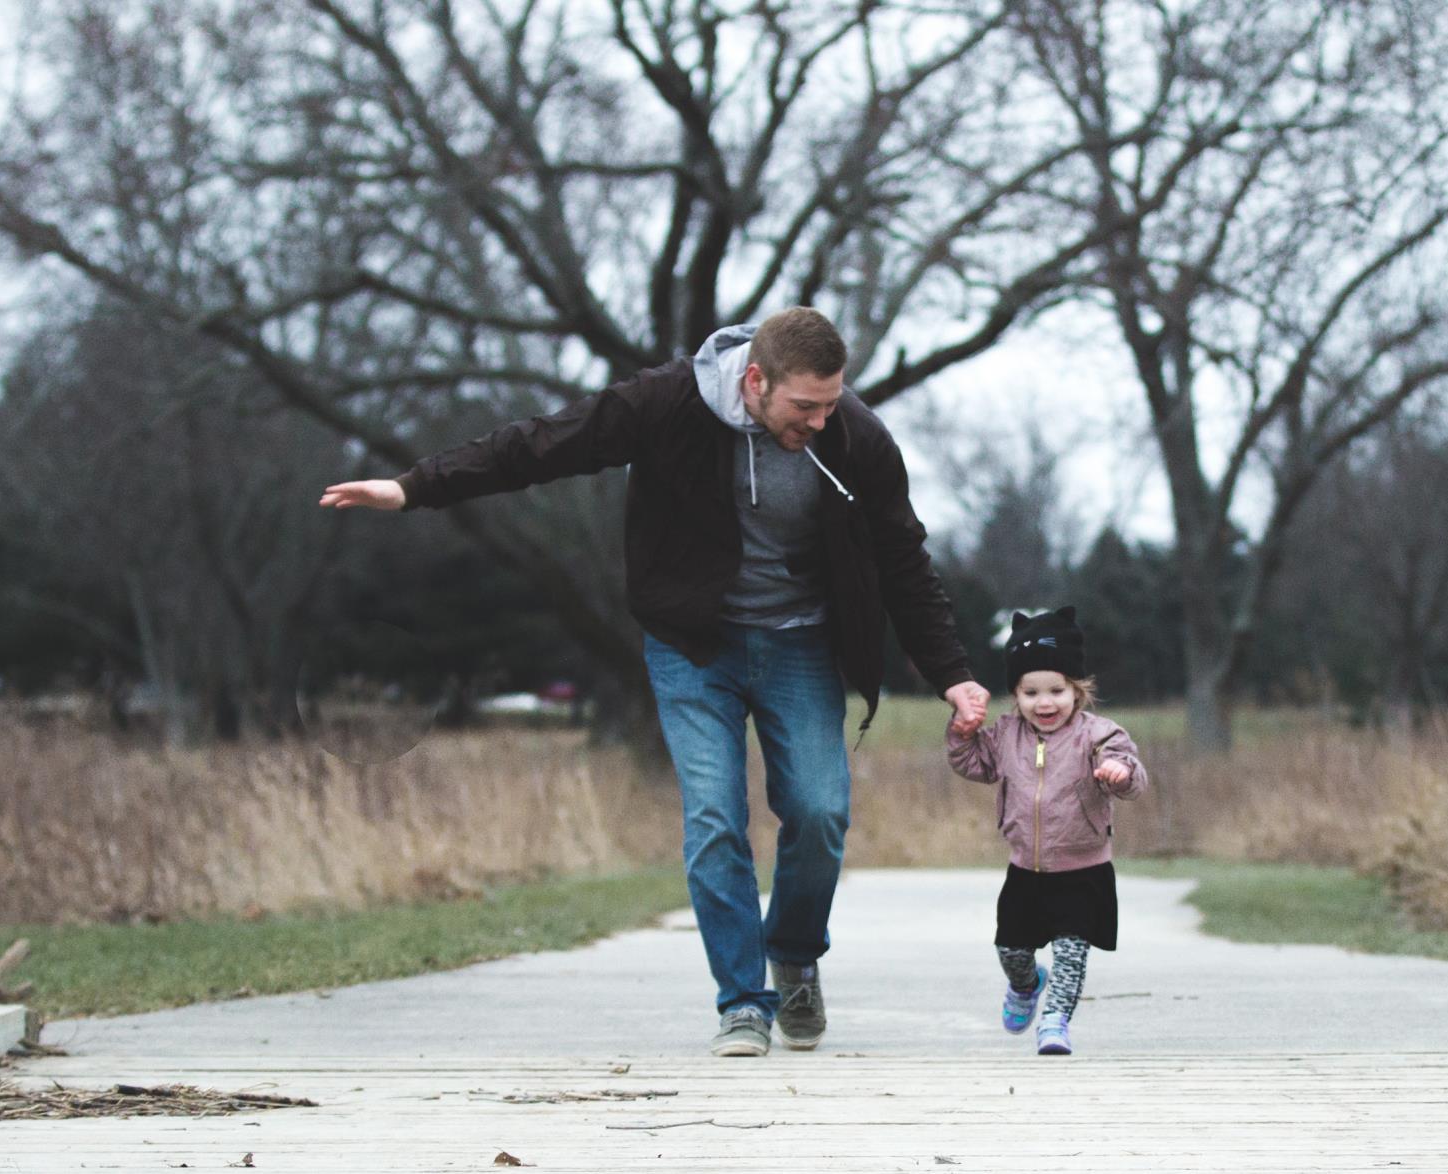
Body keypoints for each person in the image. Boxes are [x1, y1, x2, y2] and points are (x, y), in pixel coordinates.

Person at [318, 308, 989, 1057]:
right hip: (692, 644)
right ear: (755, 380)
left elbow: (904, 558)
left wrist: (953, 677)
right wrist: (414, 488)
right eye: (805, 407)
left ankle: (795, 954)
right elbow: (544, 444)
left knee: (821, 812)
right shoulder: (667, 402)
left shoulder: (855, 436)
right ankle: (743, 1001)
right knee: (713, 820)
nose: (820, 421)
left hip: (799, 643)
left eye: (832, 403)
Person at [945, 606, 1146, 1056]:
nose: (1045, 702)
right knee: (1011, 951)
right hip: (1025, 870)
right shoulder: (1005, 735)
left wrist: (1120, 771)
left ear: (1078, 690)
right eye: (1030, 692)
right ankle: (1028, 983)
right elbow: (972, 764)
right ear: (1015, 695)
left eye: (1057, 690)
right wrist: (961, 734)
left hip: (1083, 870)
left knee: (1072, 955)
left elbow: (1134, 775)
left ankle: (1055, 1023)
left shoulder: (1099, 736)